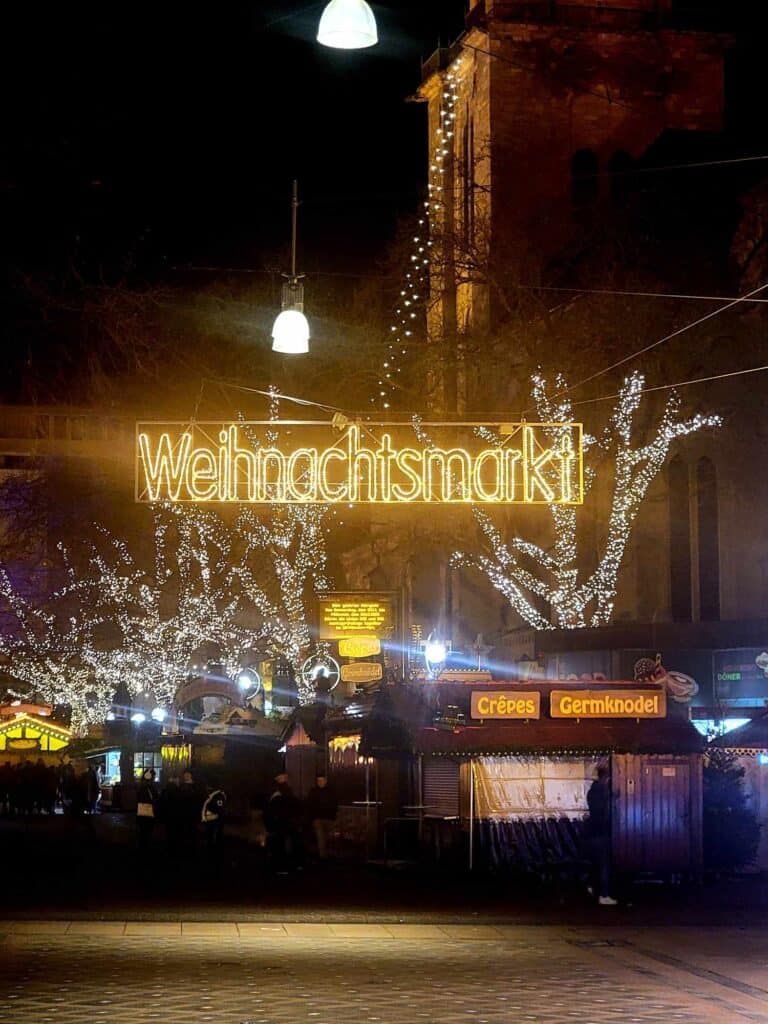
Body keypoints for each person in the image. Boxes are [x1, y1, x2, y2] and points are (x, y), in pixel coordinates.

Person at [583, 764, 618, 906]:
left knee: (595, 862)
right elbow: (603, 812)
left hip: (591, 831)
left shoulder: (592, 791)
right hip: (600, 831)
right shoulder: (602, 792)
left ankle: (590, 886)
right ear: (606, 777)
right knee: (604, 864)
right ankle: (604, 895)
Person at [263, 773, 302, 873]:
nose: (284, 779)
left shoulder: (282, 791)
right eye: (282, 778)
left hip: (284, 822)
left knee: (284, 842)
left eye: (284, 778)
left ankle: (284, 864)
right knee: (282, 842)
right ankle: (286, 864)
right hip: (281, 822)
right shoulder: (280, 792)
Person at [305, 774, 338, 861]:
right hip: (318, 818)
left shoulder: (331, 792)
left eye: (322, 780)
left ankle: (326, 855)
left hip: (329, 818)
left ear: (325, 781)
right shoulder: (314, 791)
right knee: (321, 837)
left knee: (327, 837)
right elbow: (309, 804)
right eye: (319, 780)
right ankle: (323, 856)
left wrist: (333, 815)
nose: (320, 782)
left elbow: (335, 804)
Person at [136, 768, 159, 848]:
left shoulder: (141, 786)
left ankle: (142, 845)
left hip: (141, 811)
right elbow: (154, 798)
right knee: (148, 830)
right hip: (148, 811)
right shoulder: (150, 787)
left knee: (142, 831)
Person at [201, 783, 227, 854]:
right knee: (218, 832)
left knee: (211, 832)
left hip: (213, 816)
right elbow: (224, 804)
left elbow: (206, 804)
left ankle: (211, 847)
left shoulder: (212, 795)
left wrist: (204, 816)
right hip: (220, 816)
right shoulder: (222, 794)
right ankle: (217, 847)